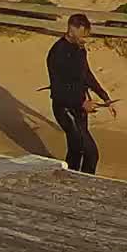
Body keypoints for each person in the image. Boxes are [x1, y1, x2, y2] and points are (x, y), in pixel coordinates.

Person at [47, 14, 112, 174]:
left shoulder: (79, 49)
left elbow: (86, 74)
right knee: (91, 153)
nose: (84, 40)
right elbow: (58, 90)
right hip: (65, 109)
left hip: (80, 107)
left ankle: (70, 180)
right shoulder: (57, 53)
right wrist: (81, 103)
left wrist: (105, 97)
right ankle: (86, 185)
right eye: (82, 35)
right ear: (71, 29)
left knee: (76, 150)